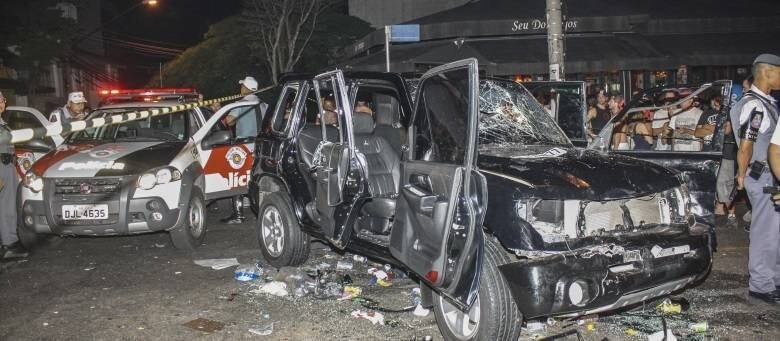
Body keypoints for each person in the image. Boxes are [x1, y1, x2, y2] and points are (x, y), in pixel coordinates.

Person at [735, 54, 780, 305]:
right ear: (767, 72)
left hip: (767, 175)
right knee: (766, 232)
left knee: (775, 231)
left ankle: (773, 279)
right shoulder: (755, 105)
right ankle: (761, 286)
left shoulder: (764, 102)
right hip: (762, 175)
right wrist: (742, 175)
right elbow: (746, 145)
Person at [221, 76, 268, 224]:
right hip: (261, 145)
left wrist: (219, 114)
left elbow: (229, 121)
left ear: (246, 88)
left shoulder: (241, 103)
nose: (240, 88)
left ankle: (238, 214)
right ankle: (261, 208)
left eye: (242, 86)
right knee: (257, 176)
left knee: (237, 176)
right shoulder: (264, 105)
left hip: (244, 145)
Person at [0, 91, 27, 259]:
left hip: (7, 165)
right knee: (6, 206)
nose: (0, 103)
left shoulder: (2, 123)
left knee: (7, 205)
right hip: (1, 168)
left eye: (2, 100)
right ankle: (9, 244)